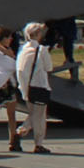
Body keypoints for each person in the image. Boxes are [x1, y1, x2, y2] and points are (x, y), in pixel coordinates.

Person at [15, 21, 55, 154]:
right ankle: (33, 141)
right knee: (39, 116)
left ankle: (20, 134)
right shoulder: (42, 50)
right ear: (38, 34)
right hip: (39, 86)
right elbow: (49, 67)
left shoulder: (22, 49)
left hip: (26, 88)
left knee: (33, 114)